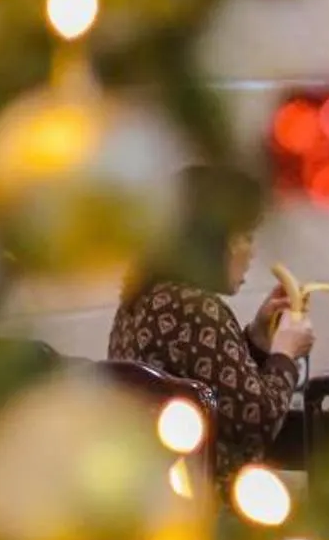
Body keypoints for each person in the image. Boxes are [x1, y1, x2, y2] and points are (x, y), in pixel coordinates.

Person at [109, 164, 313, 478]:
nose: (252, 250)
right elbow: (255, 421)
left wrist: (257, 339)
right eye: (244, 235)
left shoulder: (142, 299)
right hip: (207, 502)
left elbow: (206, 384)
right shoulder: (196, 308)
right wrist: (285, 354)